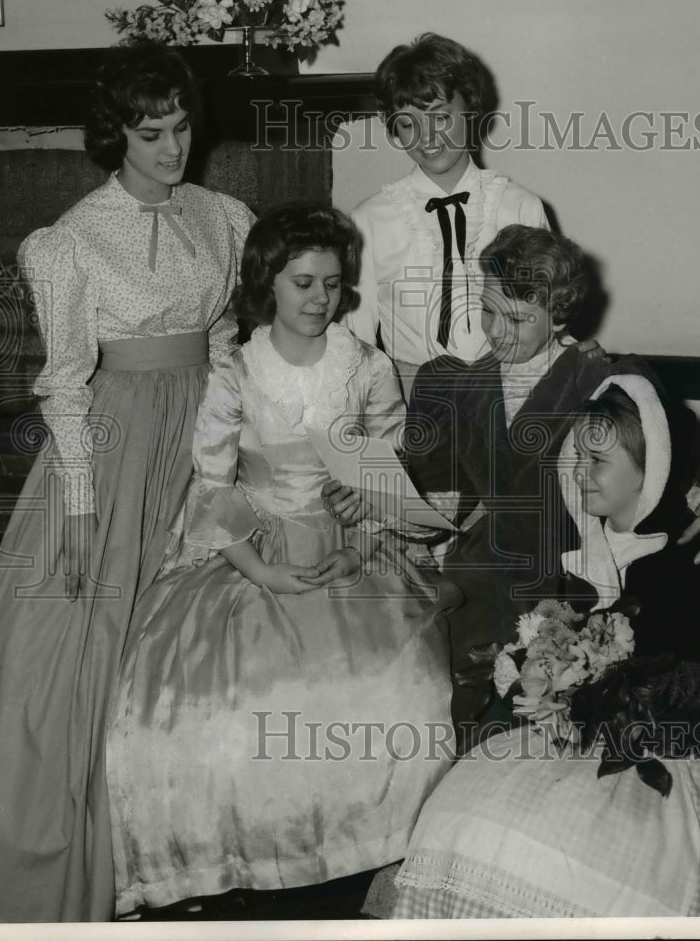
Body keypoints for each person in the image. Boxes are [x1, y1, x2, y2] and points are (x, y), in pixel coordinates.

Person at [105, 203, 460, 918]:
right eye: (302, 283)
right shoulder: (235, 370)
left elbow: (390, 478)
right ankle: (233, 872)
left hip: (352, 554)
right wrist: (261, 570)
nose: (319, 299)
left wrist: (361, 535)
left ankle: (350, 874)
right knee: (210, 712)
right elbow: (212, 485)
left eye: (332, 284)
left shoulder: (367, 366)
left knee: (397, 695)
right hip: (253, 550)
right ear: (268, 283)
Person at [0, 42, 255, 922]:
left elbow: (222, 339)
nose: (173, 149)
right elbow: (66, 379)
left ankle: (176, 855)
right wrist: (77, 505)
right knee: (78, 658)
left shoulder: (224, 216)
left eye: (182, 128)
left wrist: (233, 443)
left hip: (202, 438)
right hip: (112, 449)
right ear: (117, 135)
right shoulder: (69, 240)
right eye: (151, 134)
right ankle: (69, 876)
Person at [389, 374, 700, 918]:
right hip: (603, 721)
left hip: (681, 740)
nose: (581, 474)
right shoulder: (597, 539)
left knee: (553, 846)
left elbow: (699, 681)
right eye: (578, 458)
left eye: (598, 462)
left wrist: (574, 682)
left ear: (651, 470)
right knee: (467, 807)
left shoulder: (693, 558)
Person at [404, 225, 700, 749]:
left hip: (567, 591)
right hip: (480, 578)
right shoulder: (465, 385)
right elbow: (440, 494)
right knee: (448, 721)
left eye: (518, 319)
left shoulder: (601, 377)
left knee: (546, 732)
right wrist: (373, 503)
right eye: (488, 310)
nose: (496, 331)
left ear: (558, 313)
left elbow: (659, 467)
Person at [341, 33, 549, 398]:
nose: (426, 136)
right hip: (412, 405)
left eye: (440, 117)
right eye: (408, 123)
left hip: (509, 404)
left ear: (469, 110)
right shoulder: (369, 220)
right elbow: (355, 342)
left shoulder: (521, 207)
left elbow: (544, 321)